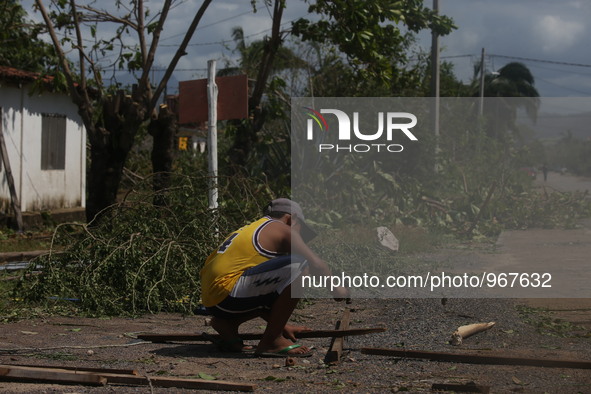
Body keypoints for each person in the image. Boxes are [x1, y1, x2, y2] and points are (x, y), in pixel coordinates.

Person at [200, 198, 349, 357]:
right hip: (228, 291)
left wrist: (283, 325)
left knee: (280, 282)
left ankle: (226, 324)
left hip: (213, 300)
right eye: (300, 230)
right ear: (292, 219)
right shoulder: (282, 229)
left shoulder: (249, 229)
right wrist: (337, 290)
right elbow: (317, 264)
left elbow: (265, 291)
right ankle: (272, 341)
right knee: (300, 266)